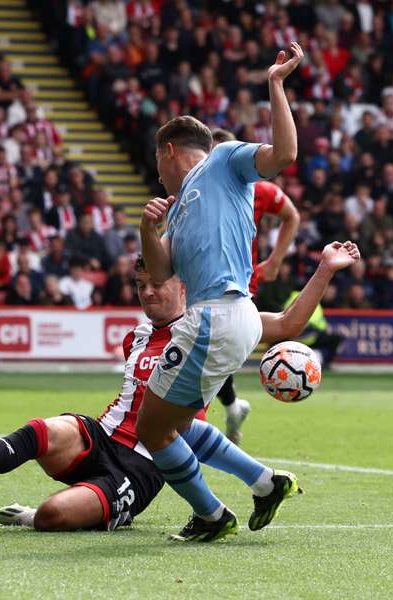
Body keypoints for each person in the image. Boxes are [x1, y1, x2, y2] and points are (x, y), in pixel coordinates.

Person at [0, 241, 359, 533]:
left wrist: (325, 268)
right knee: (46, 429)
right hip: (103, 436)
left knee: (52, 516)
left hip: (144, 465)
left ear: (183, 285)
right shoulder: (135, 335)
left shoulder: (214, 329)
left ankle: (37, 514)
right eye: (140, 285)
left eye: (157, 284)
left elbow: (288, 324)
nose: (147, 292)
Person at [137, 42, 305, 542]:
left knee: (151, 430)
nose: (158, 172)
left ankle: (211, 515)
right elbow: (162, 270)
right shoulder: (181, 205)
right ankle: (263, 482)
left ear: (168, 151)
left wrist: (275, 84)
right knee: (177, 424)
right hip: (227, 317)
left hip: (218, 313)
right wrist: (150, 230)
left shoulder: (224, 160)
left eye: (157, 161)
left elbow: (286, 155)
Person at [210, 127, 301, 444]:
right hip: (200, 278)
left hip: (237, 282)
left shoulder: (257, 189)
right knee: (212, 348)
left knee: (214, 346)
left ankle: (225, 408)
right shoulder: (198, 188)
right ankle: (231, 406)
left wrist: (275, 260)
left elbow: (292, 216)